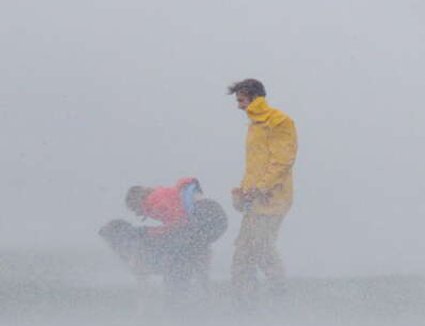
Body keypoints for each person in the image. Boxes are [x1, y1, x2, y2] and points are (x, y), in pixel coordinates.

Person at [99, 177, 227, 301]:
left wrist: (147, 232)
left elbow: (178, 225)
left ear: (138, 201)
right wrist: (152, 233)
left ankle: (178, 296)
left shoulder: (154, 200)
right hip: (214, 217)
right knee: (185, 252)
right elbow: (177, 227)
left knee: (179, 254)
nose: (138, 214)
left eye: (135, 209)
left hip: (208, 215)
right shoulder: (158, 197)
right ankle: (195, 295)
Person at [228, 78, 298, 304]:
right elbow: (255, 166)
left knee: (261, 248)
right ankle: (244, 302)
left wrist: (261, 188)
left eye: (241, 100)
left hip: (272, 199)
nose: (238, 106)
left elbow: (283, 161)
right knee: (242, 253)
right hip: (255, 200)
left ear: (254, 98)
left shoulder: (279, 121)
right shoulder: (254, 126)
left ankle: (280, 297)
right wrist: (243, 192)